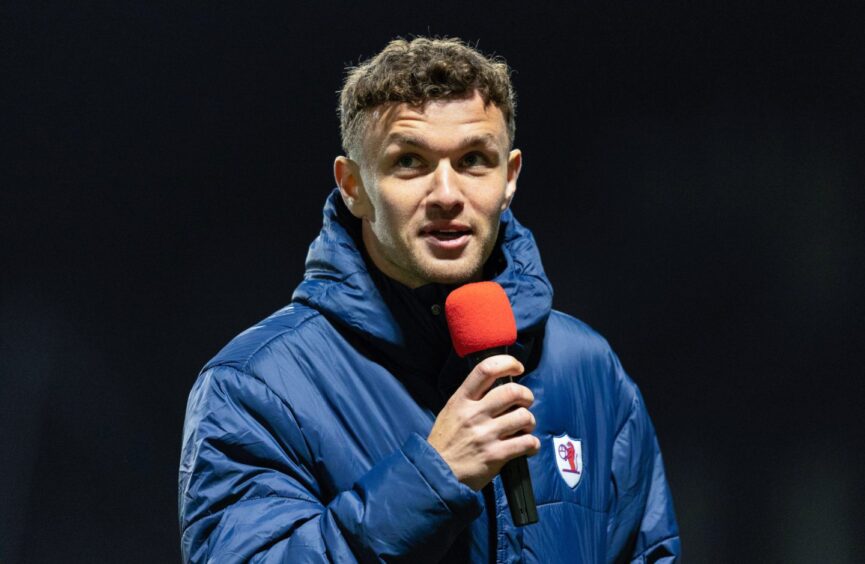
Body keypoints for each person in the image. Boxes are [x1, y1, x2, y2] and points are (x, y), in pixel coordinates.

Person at [179, 37, 680, 563]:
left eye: (473, 160)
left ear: (509, 178)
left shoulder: (590, 370)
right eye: (410, 162)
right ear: (353, 186)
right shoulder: (254, 386)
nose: (446, 194)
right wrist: (430, 481)